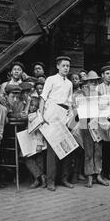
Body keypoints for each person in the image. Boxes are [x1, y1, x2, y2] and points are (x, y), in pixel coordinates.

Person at [39, 56, 74, 191]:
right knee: (52, 150)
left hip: (64, 116)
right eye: (64, 65)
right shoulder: (51, 79)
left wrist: (69, 116)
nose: (66, 68)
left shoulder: (69, 83)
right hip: (52, 114)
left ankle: (64, 178)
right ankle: (50, 181)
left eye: (68, 66)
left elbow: (70, 102)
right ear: (58, 66)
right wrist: (42, 116)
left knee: (66, 148)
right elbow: (43, 97)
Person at [80, 71, 109, 187]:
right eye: (91, 81)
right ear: (86, 82)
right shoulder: (81, 94)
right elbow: (78, 110)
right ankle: (89, 177)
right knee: (88, 152)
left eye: (95, 81)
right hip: (86, 125)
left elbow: (105, 109)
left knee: (98, 151)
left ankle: (98, 174)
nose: (93, 83)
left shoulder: (100, 94)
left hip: (97, 125)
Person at [25, 96, 48, 189]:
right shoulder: (34, 114)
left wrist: (39, 144)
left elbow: (39, 131)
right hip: (33, 141)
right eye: (31, 105)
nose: (32, 107)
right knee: (36, 161)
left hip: (38, 142)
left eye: (35, 106)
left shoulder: (35, 115)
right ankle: (41, 178)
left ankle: (39, 178)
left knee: (36, 160)